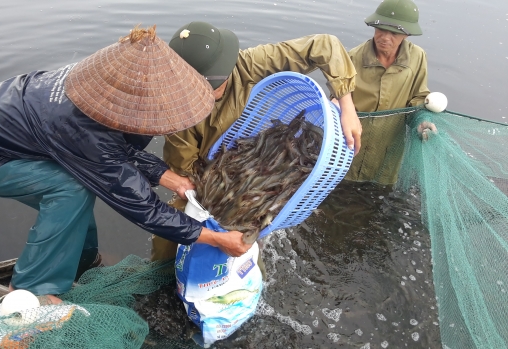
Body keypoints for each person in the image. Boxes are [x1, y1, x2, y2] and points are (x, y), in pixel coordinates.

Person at [0, 26, 251, 305]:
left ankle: (81, 262)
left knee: (78, 188)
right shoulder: (85, 130)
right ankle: (31, 290)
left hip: (17, 121)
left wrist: (170, 177)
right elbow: (143, 208)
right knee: (71, 190)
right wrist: (217, 239)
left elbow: (112, 148)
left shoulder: (108, 86)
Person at [150, 21, 363, 261]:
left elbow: (325, 45)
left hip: (250, 150)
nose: (201, 97)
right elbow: (184, 168)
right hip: (211, 169)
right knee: (169, 241)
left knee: (244, 245)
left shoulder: (248, 64)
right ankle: (163, 274)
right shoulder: (176, 107)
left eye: (209, 89)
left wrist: (347, 105)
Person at [343, 0, 432, 185]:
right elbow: (340, 97)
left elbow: (419, 97)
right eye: (380, 29)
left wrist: (422, 120)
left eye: (394, 33)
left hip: (387, 154)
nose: (385, 37)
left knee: (380, 195)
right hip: (351, 149)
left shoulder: (417, 57)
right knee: (341, 193)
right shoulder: (353, 57)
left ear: (406, 34)